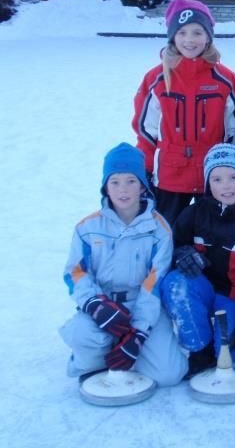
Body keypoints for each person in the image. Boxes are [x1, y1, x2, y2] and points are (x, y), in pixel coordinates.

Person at [59, 143, 187, 385]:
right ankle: (97, 355)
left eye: (131, 181)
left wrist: (138, 332)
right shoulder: (87, 228)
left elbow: (154, 284)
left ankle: (131, 348)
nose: (123, 189)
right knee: (81, 334)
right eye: (115, 182)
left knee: (169, 375)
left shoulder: (159, 230)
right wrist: (95, 305)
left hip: (143, 305)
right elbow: (75, 273)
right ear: (105, 187)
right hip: (104, 304)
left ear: (142, 185)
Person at [161, 143, 235, 376]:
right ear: (208, 184)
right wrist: (182, 255)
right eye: (217, 179)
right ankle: (200, 348)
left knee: (233, 360)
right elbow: (173, 248)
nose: (226, 185)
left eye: (233, 177)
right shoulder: (193, 213)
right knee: (176, 284)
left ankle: (226, 337)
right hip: (203, 291)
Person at [133, 0, 235, 225]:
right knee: (168, 232)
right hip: (169, 175)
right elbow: (146, 130)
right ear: (172, 36)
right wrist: (145, 167)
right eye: (182, 32)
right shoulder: (156, 79)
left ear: (208, 36)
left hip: (213, 175)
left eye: (197, 32)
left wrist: (232, 167)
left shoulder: (226, 80)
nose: (189, 40)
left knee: (214, 234)